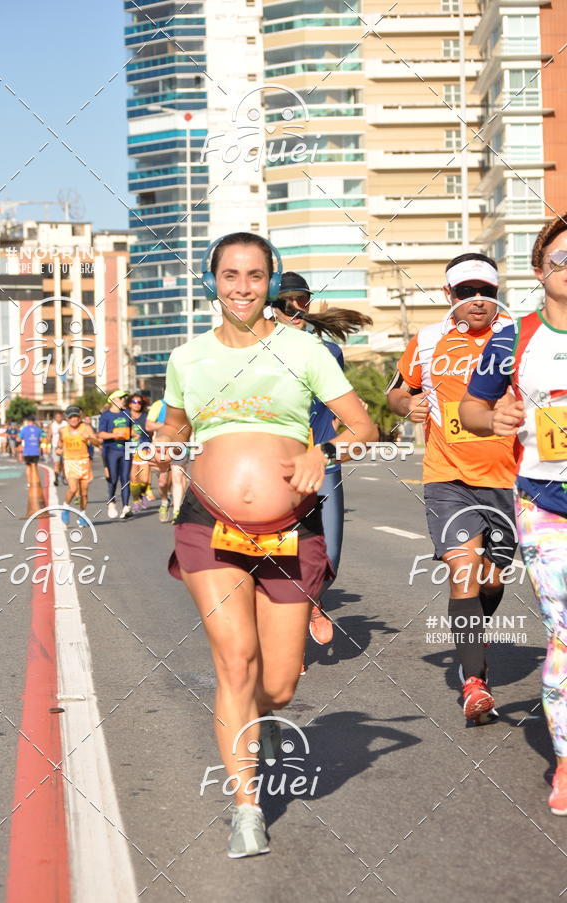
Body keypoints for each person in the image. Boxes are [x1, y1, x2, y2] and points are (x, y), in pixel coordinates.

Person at [153, 232, 377, 857]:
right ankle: (245, 807)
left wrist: (323, 451)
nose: (243, 287)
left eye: (255, 276)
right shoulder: (186, 358)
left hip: (288, 529)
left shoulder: (303, 349)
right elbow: (175, 429)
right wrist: (165, 446)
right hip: (208, 524)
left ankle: (266, 720)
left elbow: (365, 427)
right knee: (235, 660)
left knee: (277, 684)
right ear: (212, 280)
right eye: (230, 275)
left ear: (270, 282)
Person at [459, 214, 567, 814]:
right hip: (547, 503)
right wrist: (496, 419)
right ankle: (566, 763)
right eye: (561, 259)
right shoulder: (515, 337)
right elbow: (474, 410)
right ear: (539, 269)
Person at [387, 252, 518, 724]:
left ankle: (474, 635)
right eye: (467, 292)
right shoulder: (427, 341)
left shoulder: (519, 337)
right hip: (448, 475)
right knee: (463, 569)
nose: (477, 300)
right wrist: (408, 406)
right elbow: (396, 391)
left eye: (486, 290)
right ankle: (474, 683)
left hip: (508, 479)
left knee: (491, 579)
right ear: (450, 296)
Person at [272, 271, 372, 651]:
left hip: (323, 462)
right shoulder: (257, 351)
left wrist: (348, 415)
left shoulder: (330, 353)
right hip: (276, 467)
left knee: (329, 555)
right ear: (271, 308)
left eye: (302, 299)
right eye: (286, 301)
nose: (295, 308)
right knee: (279, 553)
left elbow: (335, 407)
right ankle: (289, 634)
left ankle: (312, 599)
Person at [56, 405, 100, 525]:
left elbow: (98, 443)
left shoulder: (86, 428)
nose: (74, 419)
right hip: (70, 462)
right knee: (73, 489)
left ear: (79, 417)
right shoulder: (62, 431)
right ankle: (65, 508)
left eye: (76, 416)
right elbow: (59, 446)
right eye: (71, 417)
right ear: (67, 418)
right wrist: (58, 450)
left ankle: (82, 515)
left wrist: (90, 438)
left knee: (84, 493)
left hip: (84, 462)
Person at [98, 390, 133, 519]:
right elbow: (100, 434)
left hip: (126, 449)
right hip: (111, 450)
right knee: (113, 479)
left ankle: (125, 507)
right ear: (114, 400)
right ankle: (111, 502)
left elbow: (132, 430)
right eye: (121, 398)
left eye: (125, 398)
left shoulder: (127, 414)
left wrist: (134, 434)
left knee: (125, 478)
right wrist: (114, 435)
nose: (124, 400)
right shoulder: (106, 416)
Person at [146, 398, 173, 523]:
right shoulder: (159, 404)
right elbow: (148, 425)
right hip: (161, 446)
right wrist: (167, 427)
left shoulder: (187, 402)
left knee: (177, 478)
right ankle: (164, 501)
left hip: (180, 444)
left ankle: (177, 508)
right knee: (163, 482)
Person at [127, 393, 152, 515]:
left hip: (143, 449)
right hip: (129, 450)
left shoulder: (145, 417)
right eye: (135, 402)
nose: (137, 405)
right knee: (133, 478)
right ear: (130, 404)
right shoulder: (125, 416)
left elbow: (150, 434)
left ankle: (143, 494)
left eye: (140, 402)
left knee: (144, 479)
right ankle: (136, 501)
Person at [19, 414, 42, 478]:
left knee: (28, 466)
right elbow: (41, 439)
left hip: (27, 451)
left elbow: (19, 439)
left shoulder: (24, 429)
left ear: (27, 421)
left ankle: (29, 483)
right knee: (34, 466)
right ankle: (35, 483)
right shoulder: (38, 429)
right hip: (36, 451)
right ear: (34, 421)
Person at [50, 411, 65, 486]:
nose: (58, 418)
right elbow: (49, 436)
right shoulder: (52, 425)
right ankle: (56, 479)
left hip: (65, 447)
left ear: (62, 417)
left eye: (60, 417)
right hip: (55, 447)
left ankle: (63, 476)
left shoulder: (65, 424)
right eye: (57, 417)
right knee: (57, 463)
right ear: (55, 418)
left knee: (64, 464)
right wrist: (47, 446)